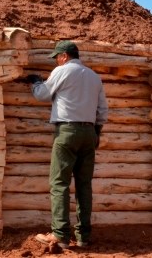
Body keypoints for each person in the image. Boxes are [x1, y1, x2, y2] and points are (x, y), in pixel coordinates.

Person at [28, 40, 108, 249]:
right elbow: (102, 110)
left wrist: (35, 83)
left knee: (59, 184)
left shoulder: (62, 71)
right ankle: (83, 237)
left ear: (64, 56)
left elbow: (42, 95)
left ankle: (60, 236)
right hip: (90, 132)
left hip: (67, 132)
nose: (56, 61)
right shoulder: (94, 77)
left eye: (56, 58)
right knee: (84, 185)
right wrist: (95, 132)